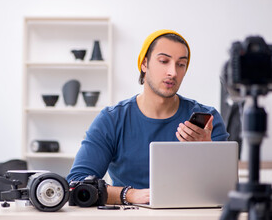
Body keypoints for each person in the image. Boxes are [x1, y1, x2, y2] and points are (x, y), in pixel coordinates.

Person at [67, 29, 229, 205]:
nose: (173, 72)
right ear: (144, 64)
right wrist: (129, 195)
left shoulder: (208, 121)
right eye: (164, 61)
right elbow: (76, 184)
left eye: (181, 64)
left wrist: (207, 152)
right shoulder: (112, 119)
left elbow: (225, 191)